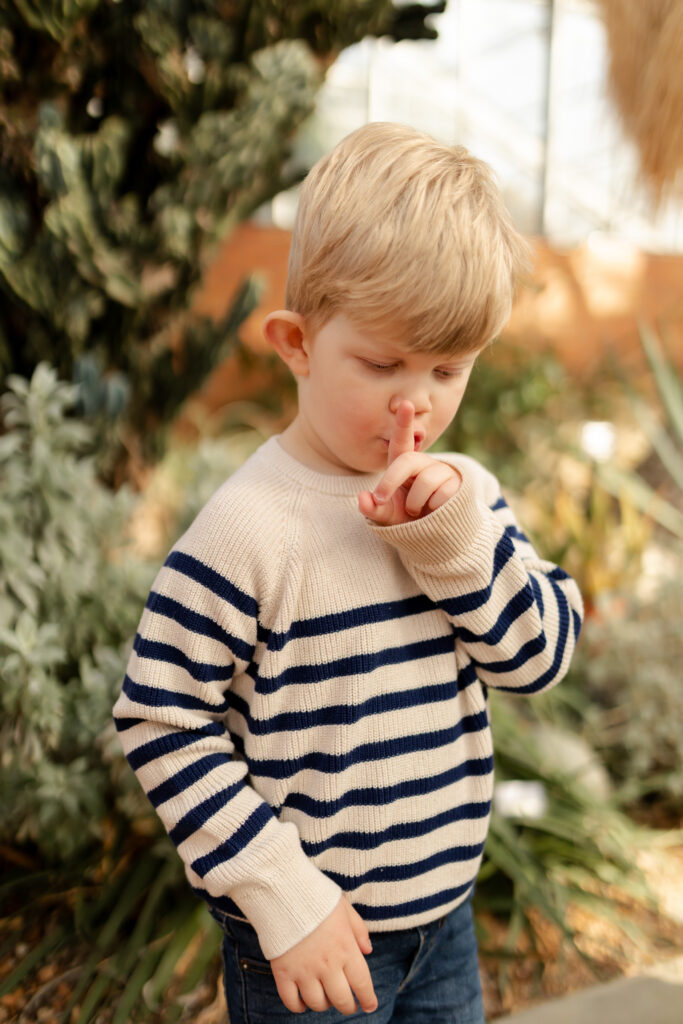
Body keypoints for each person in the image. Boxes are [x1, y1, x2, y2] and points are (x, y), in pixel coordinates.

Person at [113, 122, 583, 1023]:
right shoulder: (246, 532)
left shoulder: (463, 500)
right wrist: (284, 897)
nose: (417, 402)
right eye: (380, 363)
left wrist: (453, 542)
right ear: (295, 342)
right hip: (307, 949)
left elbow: (537, 661)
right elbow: (160, 720)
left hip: (443, 929)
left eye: (449, 368)